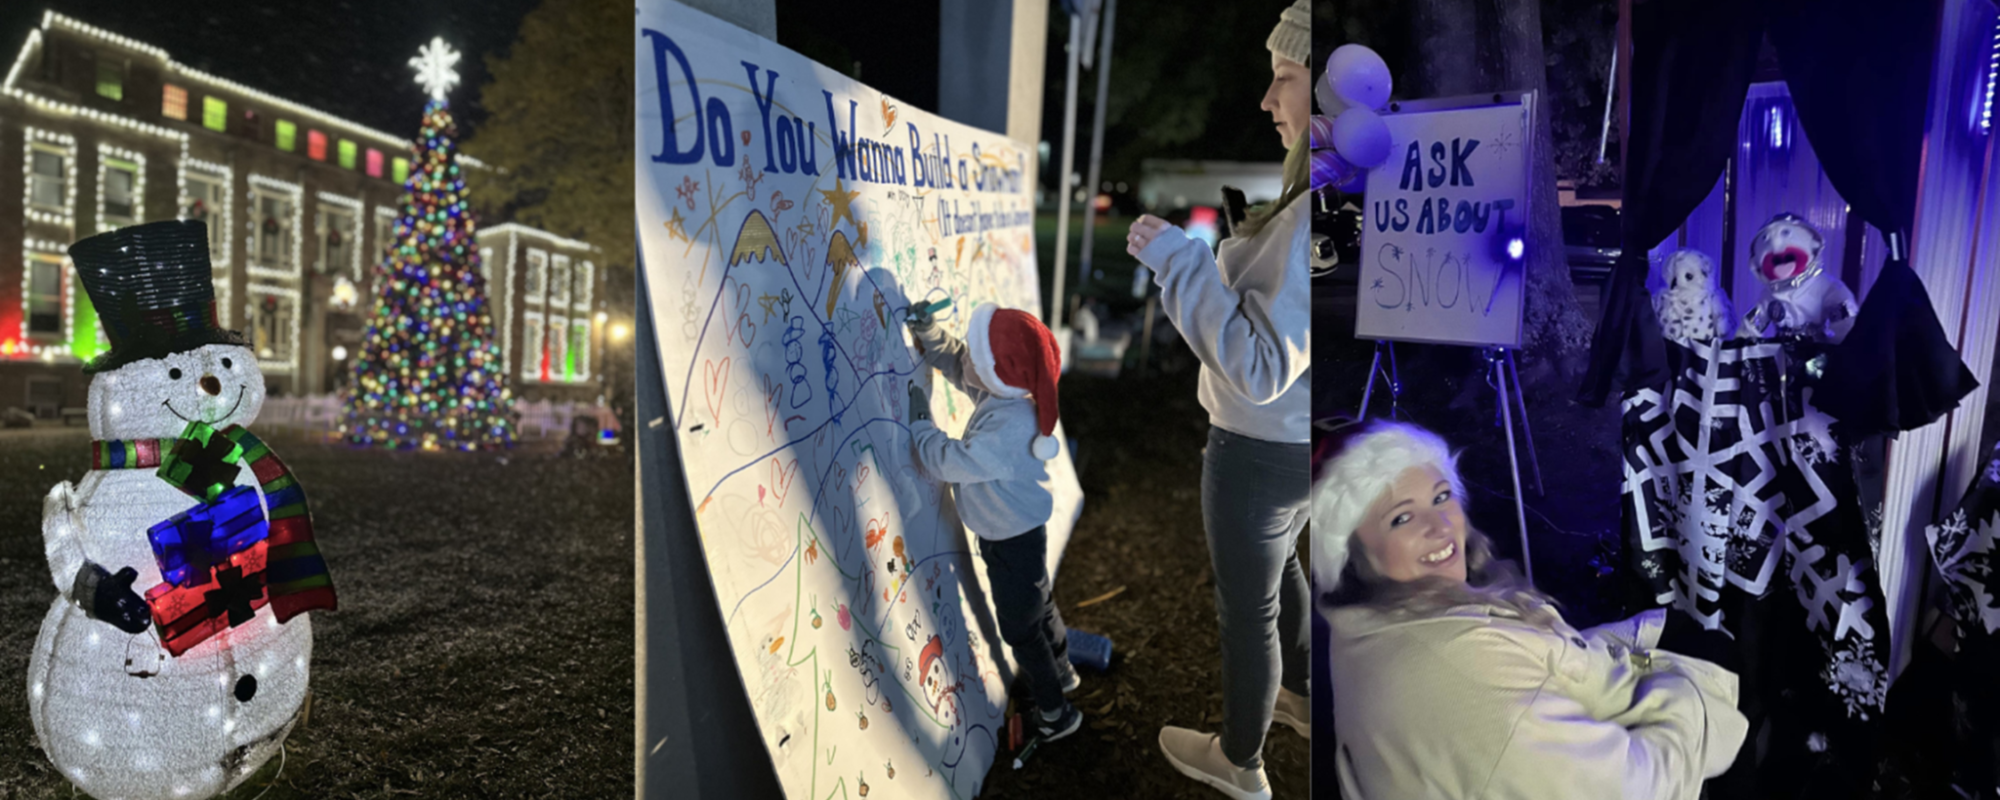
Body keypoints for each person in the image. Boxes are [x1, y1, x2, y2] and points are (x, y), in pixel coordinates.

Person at [1312, 419, 1750, 799]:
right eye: (1401, 519)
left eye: (1442, 496)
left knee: (1684, 630)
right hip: (1648, 752)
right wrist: (1694, 686)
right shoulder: (1464, 689)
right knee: (1730, 662)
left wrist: (1642, 637)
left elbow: (1538, 664)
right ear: (1354, 556)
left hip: (1592, 709)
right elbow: (1638, 788)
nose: (1441, 527)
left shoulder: (1384, 619)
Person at [1125, 2, 1314, 797]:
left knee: (1250, 610)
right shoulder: (1328, 196)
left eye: (1284, 78)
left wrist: (1183, 261)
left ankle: (1240, 762)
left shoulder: (1316, 213)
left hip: (1259, 445)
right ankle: (1302, 699)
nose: (1268, 101)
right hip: (1299, 447)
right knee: (1284, 580)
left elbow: (1261, 362)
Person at [905, 301, 1084, 742]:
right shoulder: (1003, 392)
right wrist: (930, 333)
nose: (965, 357)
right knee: (1038, 604)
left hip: (1011, 540)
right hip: (1015, 531)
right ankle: (1061, 673)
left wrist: (920, 425)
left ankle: (1056, 712)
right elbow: (959, 363)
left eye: (974, 355)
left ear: (996, 372)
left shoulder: (1008, 427)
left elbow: (952, 461)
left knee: (1021, 627)